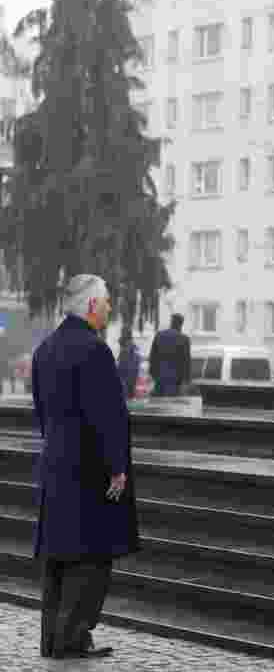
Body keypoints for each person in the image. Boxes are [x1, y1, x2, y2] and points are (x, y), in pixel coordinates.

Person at [32, 274, 140, 659]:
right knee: (90, 559)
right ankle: (73, 638)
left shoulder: (45, 349)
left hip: (55, 466)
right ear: (92, 306)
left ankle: (52, 640)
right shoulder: (94, 351)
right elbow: (108, 415)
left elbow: (42, 414)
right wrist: (117, 468)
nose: (110, 307)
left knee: (58, 559)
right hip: (90, 471)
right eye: (107, 301)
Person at [148, 313, 191, 396]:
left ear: (171, 322)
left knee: (159, 404)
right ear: (181, 324)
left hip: (159, 378)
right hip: (175, 380)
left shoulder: (159, 335)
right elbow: (186, 361)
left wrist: (153, 374)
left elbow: (152, 356)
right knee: (172, 405)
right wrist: (186, 380)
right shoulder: (184, 339)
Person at [116, 329, 142, 400]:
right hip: (130, 372)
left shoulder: (126, 347)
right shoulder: (132, 347)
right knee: (130, 390)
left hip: (128, 372)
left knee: (128, 389)